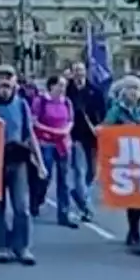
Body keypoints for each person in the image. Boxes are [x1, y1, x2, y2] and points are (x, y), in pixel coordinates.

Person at [0, 65, 42, 266]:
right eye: (2, 77)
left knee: (21, 207)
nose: (5, 82)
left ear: (15, 81)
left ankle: (22, 246)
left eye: (9, 77)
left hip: (18, 161)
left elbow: (30, 134)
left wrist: (40, 162)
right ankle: (3, 246)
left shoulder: (22, 104)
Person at [102, 75, 140, 254]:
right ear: (123, 92)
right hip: (126, 159)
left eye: (137, 89)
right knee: (133, 197)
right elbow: (107, 127)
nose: (134, 93)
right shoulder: (116, 111)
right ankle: (134, 232)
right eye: (131, 89)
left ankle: (134, 233)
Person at [29, 75, 79, 228]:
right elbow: (34, 121)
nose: (63, 88)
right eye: (60, 85)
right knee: (45, 176)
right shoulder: (41, 101)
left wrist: (65, 130)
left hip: (63, 144)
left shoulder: (67, 102)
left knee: (64, 180)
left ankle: (63, 214)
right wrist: (51, 130)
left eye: (64, 85)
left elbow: (70, 120)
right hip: (46, 142)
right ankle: (36, 200)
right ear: (51, 86)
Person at [66, 62, 104, 222]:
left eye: (81, 70)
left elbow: (103, 112)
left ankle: (79, 193)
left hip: (93, 136)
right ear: (72, 73)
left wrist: (101, 127)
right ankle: (87, 207)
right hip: (75, 136)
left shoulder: (95, 91)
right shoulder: (67, 91)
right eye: (76, 71)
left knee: (93, 173)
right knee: (79, 172)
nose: (79, 73)